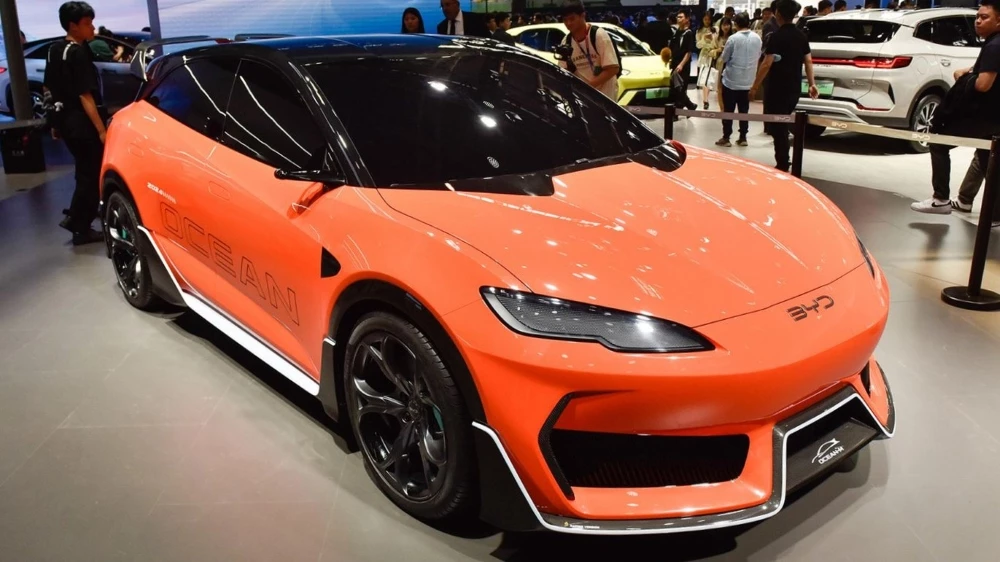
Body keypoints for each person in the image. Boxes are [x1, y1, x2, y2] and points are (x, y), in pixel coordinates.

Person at [911, 0, 1000, 228]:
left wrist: (965, 77)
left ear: (999, 21)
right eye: (977, 16)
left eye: (984, 17)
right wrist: (971, 70)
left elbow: (983, 84)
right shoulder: (993, 44)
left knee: (939, 142)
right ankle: (991, 212)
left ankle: (940, 198)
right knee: (986, 158)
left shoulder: (994, 46)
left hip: (981, 115)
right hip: (993, 117)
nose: (978, 21)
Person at [43, 1, 106, 245]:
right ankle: (80, 225)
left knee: (84, 171)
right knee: (91, 173)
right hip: (82, 123)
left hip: (66, 121)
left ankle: (79, 216)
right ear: (73, 26)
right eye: (88, 24)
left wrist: (54, 122)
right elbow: (85, 95)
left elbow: (49, 88)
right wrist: (101, 130)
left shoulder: (54, 49)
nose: (92, 28)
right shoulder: (78, 53)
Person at [751, 0, 818, 172]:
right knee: (782, 122)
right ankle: (783, 159)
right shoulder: (801, 36)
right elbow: (808, 61)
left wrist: (754, 87)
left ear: (778, 14)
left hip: (776, 88)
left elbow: (766, 63)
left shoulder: (776, 37)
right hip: (794, 87)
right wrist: (812, 84)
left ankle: (782, 161)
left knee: (777, 126)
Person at [557, 0, 620, 101]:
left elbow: (613, 68)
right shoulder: (566, 41)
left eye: (572, 19)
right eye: (565, 20)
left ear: (583, 15)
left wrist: (587, 88)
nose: (568, 23)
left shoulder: (598, 35)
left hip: (606, 98)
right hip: (585, 100)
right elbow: (564, 71)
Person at [717, 13, 760, 147]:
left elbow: (724, 58)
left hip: (731, 80)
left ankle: (726, 137)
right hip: (748, 81)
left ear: (735, 24)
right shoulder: (757, 38)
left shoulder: (733, 39)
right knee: (744, 111)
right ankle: (743, 137)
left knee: (728, 110)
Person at [669, 9, 697, 113]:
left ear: (687, 19)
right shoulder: (677, 32)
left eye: (681, 17)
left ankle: (677, 113)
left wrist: (681, 64)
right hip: (674, 64)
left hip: (683, 66)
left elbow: (688, 52)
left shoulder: (688, 33)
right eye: (677, 17)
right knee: (675, 89)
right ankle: (690, 105)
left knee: (680, 89)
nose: (678, 19)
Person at [696, 12, 718, 109]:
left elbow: (717, 42)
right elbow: (698, 45)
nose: (707, 21)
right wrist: (704, 38)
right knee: (705, 78)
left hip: (715, 54)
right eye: (705, 19)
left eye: (708, 19)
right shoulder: (699, 30)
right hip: (705, 56)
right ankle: (705, 100)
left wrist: (712, 39)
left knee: (712, 77)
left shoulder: (716, 29)